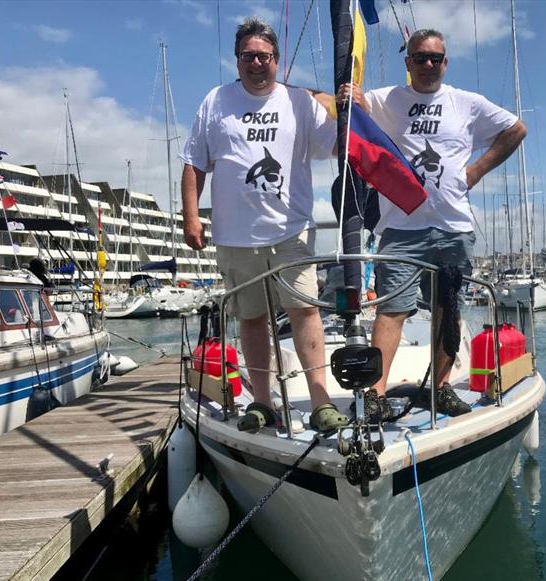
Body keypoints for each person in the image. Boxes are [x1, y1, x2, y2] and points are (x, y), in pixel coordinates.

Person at [339, 29, 527, 418]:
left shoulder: (466, 103)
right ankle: (374, 394)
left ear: (446, 63)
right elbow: (350, 108)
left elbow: (515, 129)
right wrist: (349, 96)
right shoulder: (386, 99)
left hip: (452, 227)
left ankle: (441, 387)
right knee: (392, 309)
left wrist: (475, 170)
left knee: (449, 309)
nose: (428, 65)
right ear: (407, 63)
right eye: (420, 58)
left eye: (436, 58)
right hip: (400, 226)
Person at [180, 18, 346, 433]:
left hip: (290, 231)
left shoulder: (298, 103)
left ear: (277, 60)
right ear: (237, 60)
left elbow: (340, 143)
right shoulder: (215, 102)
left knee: (305, 310)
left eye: (264, 56)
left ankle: (321, 399)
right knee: (251, 318)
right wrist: (190, 215)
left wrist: (339, 103)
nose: (256, 63)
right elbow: (194, 163)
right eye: (248, 56)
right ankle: (261, 400)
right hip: (236, 236)